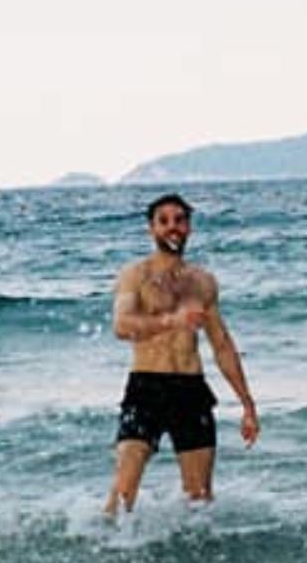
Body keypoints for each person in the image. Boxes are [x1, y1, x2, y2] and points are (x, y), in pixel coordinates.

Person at [105, 193, 259, 516]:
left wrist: (247, 404)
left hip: (191, 390)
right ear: (151, 229)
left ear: (189, 228)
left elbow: (222, 345)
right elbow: (122, 325)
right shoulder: (136, 275)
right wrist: (170, 321)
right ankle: (103, 556)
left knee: (200, 499)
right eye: (164, 221)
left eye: (180, 220)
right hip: (146, 388)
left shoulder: (202, 282)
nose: (172, 227)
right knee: (123, 493)